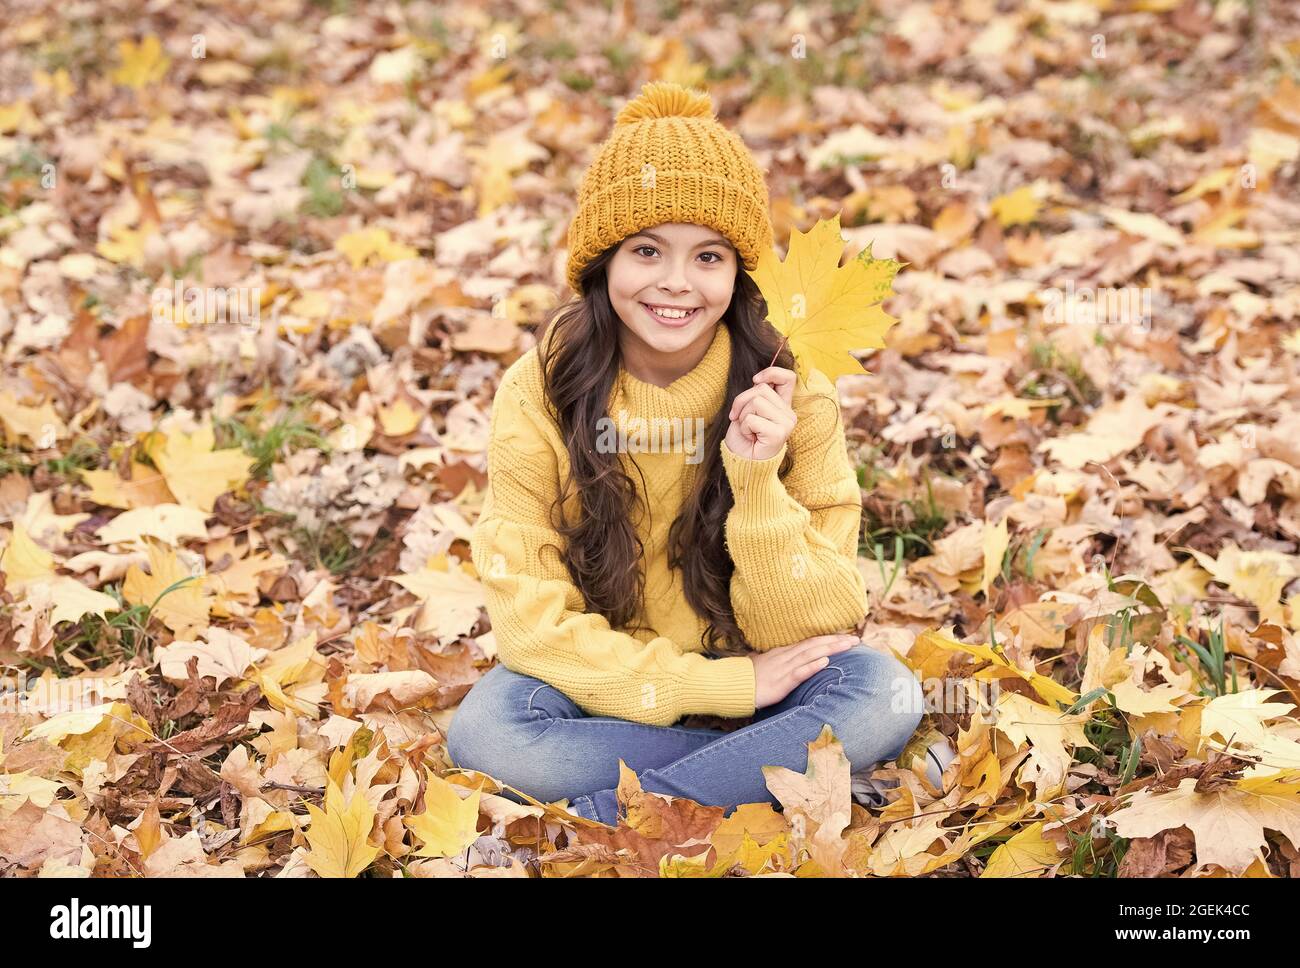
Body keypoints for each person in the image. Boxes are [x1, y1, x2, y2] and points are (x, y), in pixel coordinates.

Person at [446, 80, 926, 826]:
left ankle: (623, 810)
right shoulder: (541, 390)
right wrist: (724, 695)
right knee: (489, 734)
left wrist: (757, 477)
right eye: (646, 251)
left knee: (885, 693)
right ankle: (752, 768)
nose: (676, 283)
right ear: (602, 265)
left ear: (739, 273)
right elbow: (530, 620)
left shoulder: (794, 390)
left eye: (708, 255)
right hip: (609, 681)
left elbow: (823, 623)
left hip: (769, 666)